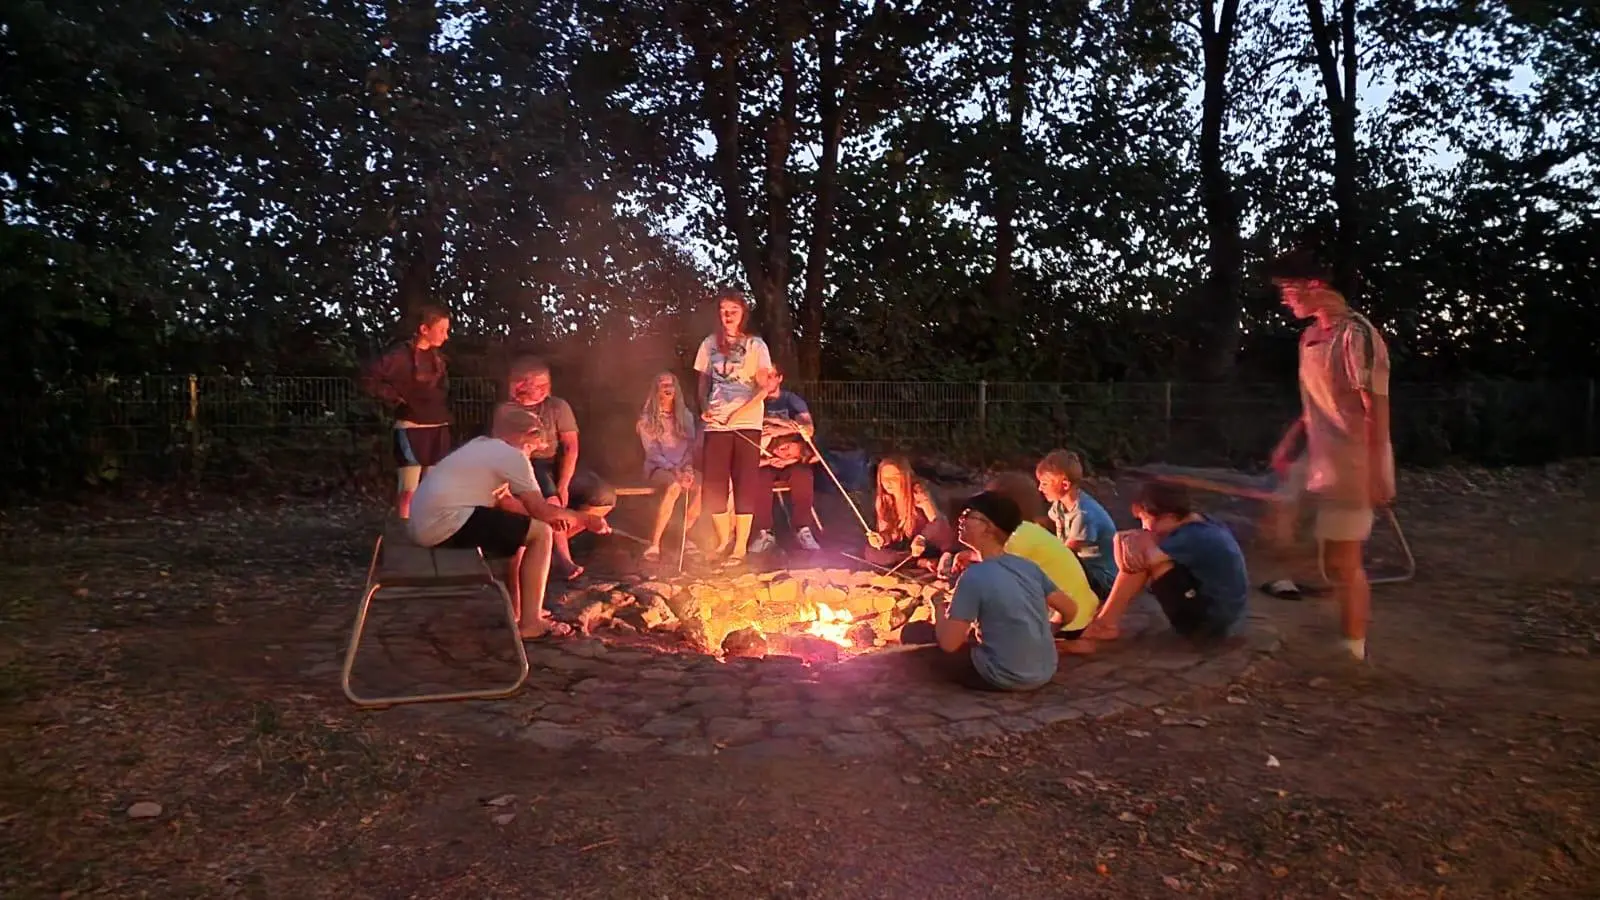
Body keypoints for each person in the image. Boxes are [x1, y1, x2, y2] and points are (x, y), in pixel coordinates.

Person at [1267, 247, 1395, 662]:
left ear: (1315, 286)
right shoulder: (1310, 337)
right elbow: (1314, 405)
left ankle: (1353, 650)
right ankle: (1303, 582)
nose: (1285, 300)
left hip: (1352, 460)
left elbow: (1376, 408)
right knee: (1280, 521)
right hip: (1318, 456)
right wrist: (1289, 443)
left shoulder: (1356, 336)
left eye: (1289, 291)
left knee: (1344, 559)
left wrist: (1377, 472)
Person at [406, 403, 611, 640]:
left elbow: (505, 500)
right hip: (445, 524)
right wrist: (586, 518)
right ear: (529, 436)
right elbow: (541, 510)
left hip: (426, 523)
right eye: (534, 448)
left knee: (525, 530)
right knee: (541, 533)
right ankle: (531, 623)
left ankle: (521, 610)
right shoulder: (513, 456)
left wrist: (549, 517)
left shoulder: (481, 446)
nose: (532, 454)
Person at [900, 492, 1077, 691]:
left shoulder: (974, 576)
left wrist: (938, 607)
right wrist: (1046, 630)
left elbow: (949, 643)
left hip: (1003, 675)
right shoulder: (1027, 566)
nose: (961, 519)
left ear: (989, 527)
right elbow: (1069, 609)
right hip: (1045, 670)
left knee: (916, 634)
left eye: (969, 515)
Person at [1082, 480, 1249, 643]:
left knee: (1143, 559)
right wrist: (1120, 539)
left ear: (1168, 517)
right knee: (1143, 553)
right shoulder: (1201, 523)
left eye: (1144, 519)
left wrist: (1125, 543)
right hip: (1226, 618)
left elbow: (1132, 564)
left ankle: (1105, 623)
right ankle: (1105, 619)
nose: (1143, 527)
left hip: (1209, 625)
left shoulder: (1191, 537)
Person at [508, 355, 616, 580]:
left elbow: (570, 447)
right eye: (538, 384)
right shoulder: (508, 410)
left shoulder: (558, 406)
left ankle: (551, 545)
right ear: (522, 384)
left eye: (546, 383)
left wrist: (564, 484)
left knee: (604, 496)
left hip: (556, 463)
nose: (544, 389)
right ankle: (565, 559)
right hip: (525, 464)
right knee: (551, 498)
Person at [693, 289, 777, 567]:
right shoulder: (709, 344)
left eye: (734, 310)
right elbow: (704, 380)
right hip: (716, 423)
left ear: (743, 314)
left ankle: (740, 547)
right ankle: (723, 540)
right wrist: (703, 404)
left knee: (744, 484)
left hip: (746, 422)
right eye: (724, 310)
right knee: (715, 485)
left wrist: (743, 410)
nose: (728, 315)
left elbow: (764, 386)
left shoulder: (756, 346)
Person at [982, 471, 1101, 653]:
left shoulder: (1018, 537)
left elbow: (997, 572)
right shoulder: (1028, 530)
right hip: (1077, 608)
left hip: (1070, 617)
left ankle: (1068, 644)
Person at [361, 305, 452, 519]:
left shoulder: (437, 359)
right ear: (424, 329)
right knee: (409, 490)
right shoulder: (399, 356)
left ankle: (427, 531)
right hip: (411, 427)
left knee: (432, 488)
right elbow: (368, 378)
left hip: (438, 426)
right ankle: (403, 534)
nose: (446, 336)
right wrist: (395, 398)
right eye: (442, 330)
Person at [749, 370, 822, 554]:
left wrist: (777, 430)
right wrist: (782, 425)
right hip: (766, 456)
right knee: (759, 477)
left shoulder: (791, 401)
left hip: (792, 457)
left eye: (772, 375)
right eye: (764, 375)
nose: (767, 379)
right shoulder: (755, 401)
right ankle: (765, 532)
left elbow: (808, 429)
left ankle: (802, 529)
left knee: (803, 474)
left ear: (780, 378)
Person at [1035, 449, 1118, 600]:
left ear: (1065, 485)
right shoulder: (1059, 505)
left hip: (1101, 577)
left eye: (1044, 483)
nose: (1040, 488)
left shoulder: (1083, 514)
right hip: (1082, 565)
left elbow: (1066, 554)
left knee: (1047, 569)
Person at [636, 371, 702, 560]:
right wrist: (675, 471)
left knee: (704, 485)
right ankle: (655, 544)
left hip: (683, 467)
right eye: (663, 385)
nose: (667, 388)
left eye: (671, 384)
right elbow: (653, 453)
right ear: (656, 390)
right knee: (674, 487)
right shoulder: (647, 419)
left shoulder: (685, 416)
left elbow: (691, 447)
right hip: (659, 469)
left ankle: (683, 536)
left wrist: (688, 468)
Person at [865, 455, 956, 571]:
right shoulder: (883, 500)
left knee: (943, 541)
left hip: (928, 543)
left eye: (894, 478)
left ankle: (924, 560)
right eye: (884, 478)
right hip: (907, 548)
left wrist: (922, 538)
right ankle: (918, 562)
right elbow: (889, 532)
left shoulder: (918, 492)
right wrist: (881, 539)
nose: (888, 483)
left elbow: (938, 522)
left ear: (905, 477)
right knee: (871, 552)